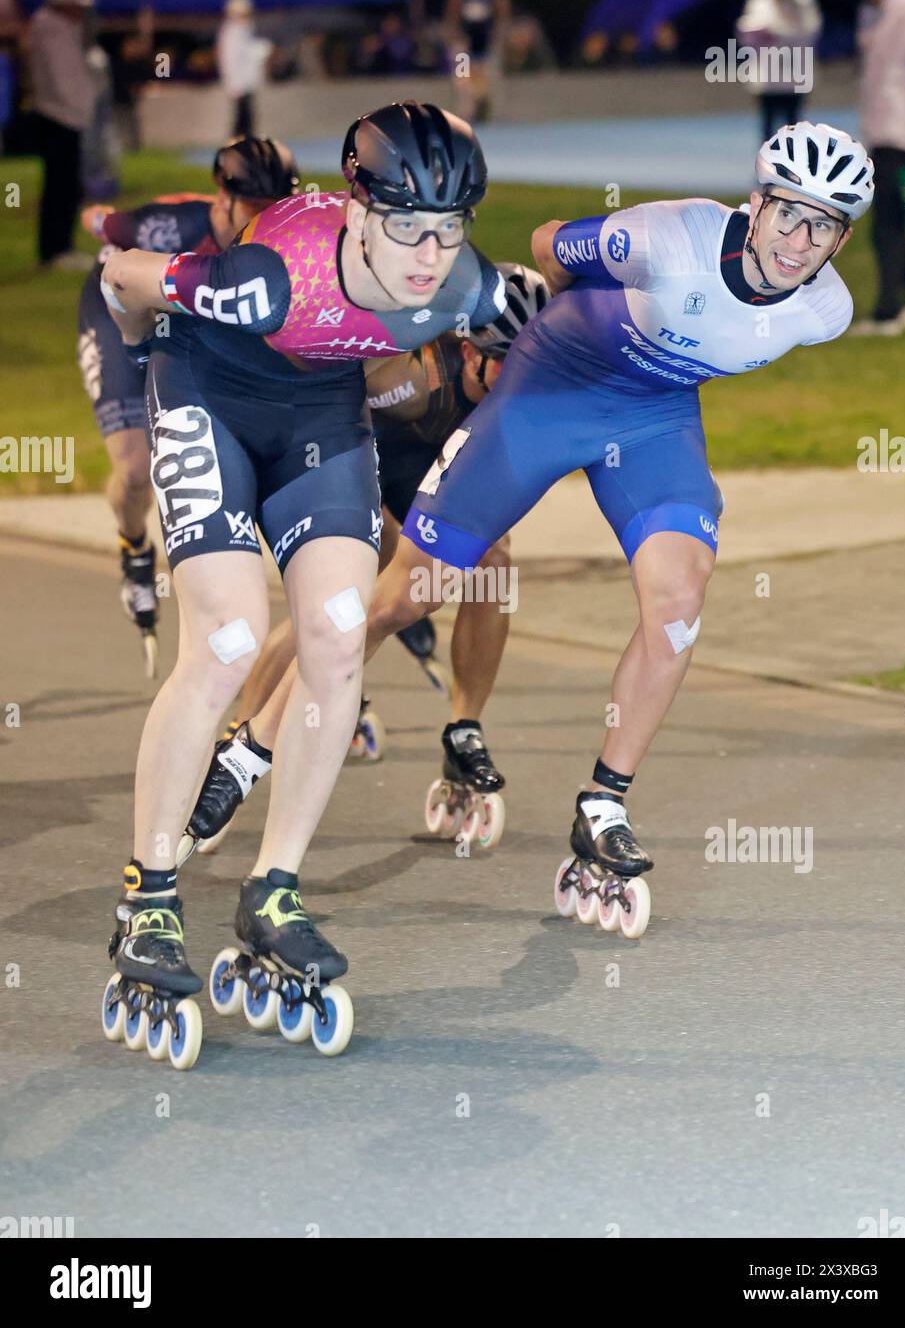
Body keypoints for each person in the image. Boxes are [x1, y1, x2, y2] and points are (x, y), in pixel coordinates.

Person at [362, 122, 873, 938]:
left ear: (842, 239)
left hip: (652, 417)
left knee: (680, 592)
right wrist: (587, 318)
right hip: (553, 384)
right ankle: (260, 738)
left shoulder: (825, 310)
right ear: (756, 203)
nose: (799, 240)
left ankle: (602, 803)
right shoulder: (669, 236)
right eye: (789, 213)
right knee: (408, 597)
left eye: (825, 226)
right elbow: (547, 246)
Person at [98, 102, 504, 1069]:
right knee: (232, 637)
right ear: (360, 210)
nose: (427, 255)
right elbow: (122, 274)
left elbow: (538, 324)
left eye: (449, 230)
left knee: (332, 629)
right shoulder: (263, 278)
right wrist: (146, 350)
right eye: (407, 226)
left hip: (321, 413)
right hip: (207, 391)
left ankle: (273, 888)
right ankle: (150, 896)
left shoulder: (466, 285)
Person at [172, 265, 551, 860]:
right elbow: (322, 418)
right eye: (505, 362)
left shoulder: (527, 387)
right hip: (358, 450)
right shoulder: (407, 373)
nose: (517, 379)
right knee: (341, 598)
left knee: (494, 562)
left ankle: (464, 726)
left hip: (441, 465)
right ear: (469, 348)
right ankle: (238, 743)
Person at [77, 137, 300, 676]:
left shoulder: (284, 236)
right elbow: (97, 221)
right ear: (222, 198)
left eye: (276, 208)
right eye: (253, 210)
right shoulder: (169, 224)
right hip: (118, 310)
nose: (265, 222)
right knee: (134, 469)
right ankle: (134, 547)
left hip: (189, 319)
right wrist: (111, 219)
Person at [848, 0, 905, 336]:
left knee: (886, 226)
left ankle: (887, 312)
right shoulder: (881, 16)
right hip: (886, 134)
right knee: (894, 220)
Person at [27, 0, 95, 269]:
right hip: (61, 117)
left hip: (62, 115)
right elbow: (64, 78)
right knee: (62, 186)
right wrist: (81, 109)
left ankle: (57, 247)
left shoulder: (53, 27)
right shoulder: (52, 29)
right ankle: (57, 249)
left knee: (63, 184)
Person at [735, 0, 822, 141]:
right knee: (768, 125)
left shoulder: (803, 1)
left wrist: (778, 35)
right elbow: (746, 36)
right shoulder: (758, 2)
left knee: (794, 126)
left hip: (795, 75)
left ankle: (795, 163)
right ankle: (769, 165)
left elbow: (811, 33)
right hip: (767, 77)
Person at [445, 0, 510, 123]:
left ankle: (478, 108)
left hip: (480, 32)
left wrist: (499, 30)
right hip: (472, 33)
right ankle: (469, 109)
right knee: (466, 70)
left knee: (476, 70)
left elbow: (501, 6)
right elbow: (456, 3)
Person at [216, 0, 272, 138]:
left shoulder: (244, 30)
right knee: (242, 120)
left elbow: (250, 54)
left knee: (247, 119)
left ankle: (245, 147)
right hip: (239, 84)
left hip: (246, 83)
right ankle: (238, 148)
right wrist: (233, 84)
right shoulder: (232, 32)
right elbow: (230, 61)